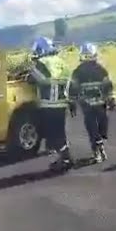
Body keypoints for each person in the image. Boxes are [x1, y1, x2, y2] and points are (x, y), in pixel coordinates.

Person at [29, 37, 75, 170]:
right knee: (60, 132)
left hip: (49, 104)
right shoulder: (62, 62)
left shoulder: (42, 63)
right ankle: (62, 157)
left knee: (53, 132)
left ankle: (66, 159)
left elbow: (33, 78)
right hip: (62, 104)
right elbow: (71, 83)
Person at [69, 43, 115, 163]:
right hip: (95, 104)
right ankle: (98, 149)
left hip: (89, 104)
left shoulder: (78, 71)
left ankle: (97, 148)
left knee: (93, 127)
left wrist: (72, 103)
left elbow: (73, 89)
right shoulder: (100, 69)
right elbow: (108, 86)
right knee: (97, 126)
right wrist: (111, 99)